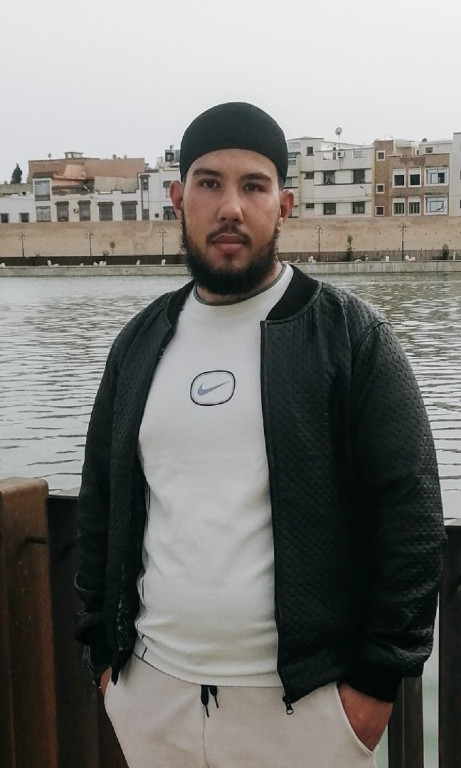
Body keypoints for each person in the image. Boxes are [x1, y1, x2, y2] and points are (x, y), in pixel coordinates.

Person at [75, 102, 445, 768]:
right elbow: (100, 502)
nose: (230, 207)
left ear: (285, 204)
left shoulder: (351, 337)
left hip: (305, 707)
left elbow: (411, 517)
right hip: (151, 694)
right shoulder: (139, 343)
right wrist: (104, 657)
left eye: (253, 186)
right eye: (209, 183)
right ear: (177, 198)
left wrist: (373, 685)